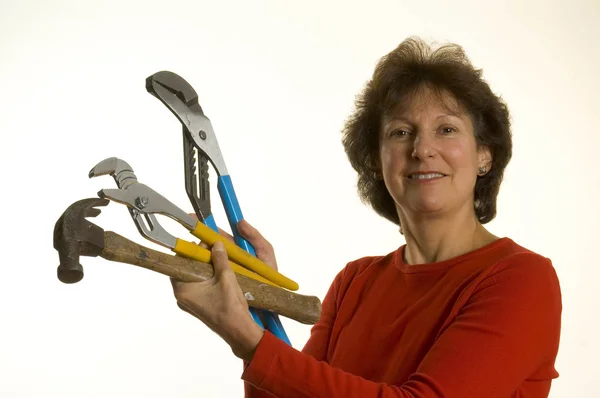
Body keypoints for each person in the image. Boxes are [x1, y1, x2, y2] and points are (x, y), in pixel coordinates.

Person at [170, 36, 562, 397]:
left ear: (484, 155)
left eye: (446, 129)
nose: (423, 149)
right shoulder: (355, 283)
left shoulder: (521, 279)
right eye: (400, 132)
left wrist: (249, 340)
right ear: (375, 160)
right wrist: (255, 310)